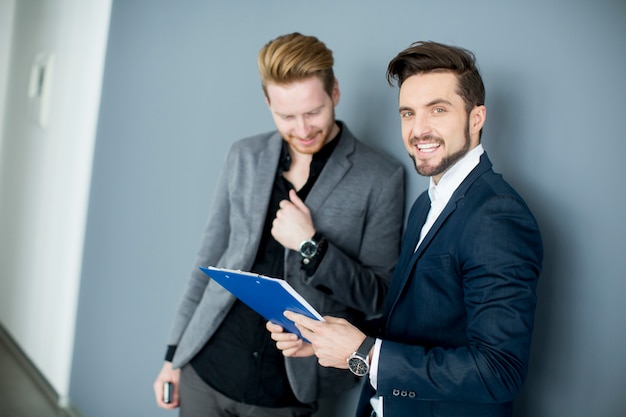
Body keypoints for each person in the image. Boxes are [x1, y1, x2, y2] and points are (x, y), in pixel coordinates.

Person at [268, 41, 543, 417]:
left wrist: (361, 352)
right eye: (408, 113)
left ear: (476, 118)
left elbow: (499, 371)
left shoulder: (497, 216)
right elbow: (413, 322)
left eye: (438, 110)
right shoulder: (427, 203)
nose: (418, 129)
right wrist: (327, 339)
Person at [153, 32, 405, 417]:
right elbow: (207, 259)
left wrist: (311, 245)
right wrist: (173, 356)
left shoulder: (381, 177)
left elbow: (378, 297)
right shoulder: (244, 155)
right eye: (286, 116)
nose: (302, 128)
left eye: (313, 112)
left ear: (335, 93)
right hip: (205, 369)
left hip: (287, 391)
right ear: (268, 103)